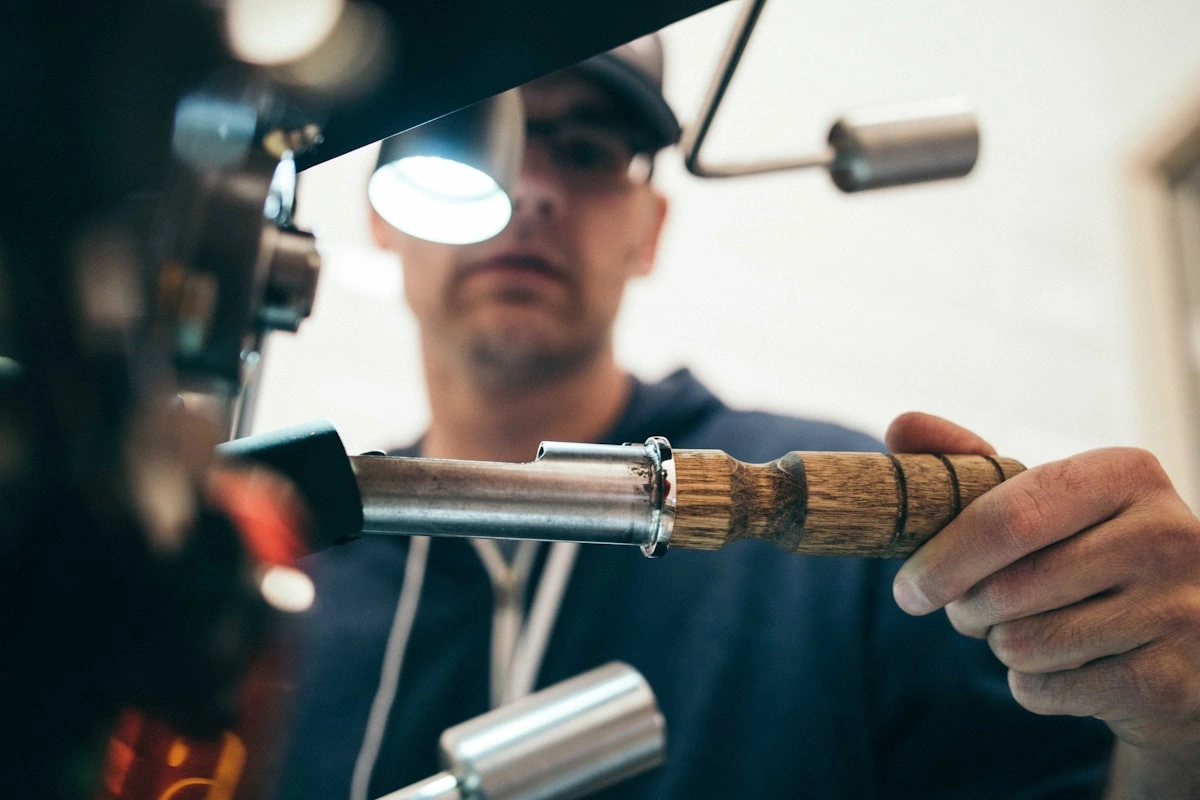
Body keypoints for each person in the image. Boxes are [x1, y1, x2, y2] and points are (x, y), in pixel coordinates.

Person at [275, 33, 1200, 799]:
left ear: (649, 231)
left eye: (587, 150)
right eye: (473, 141)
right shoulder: (287, 573)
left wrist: (1177, 733)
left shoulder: (854, 542)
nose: (532, 188)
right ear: (383, 214)